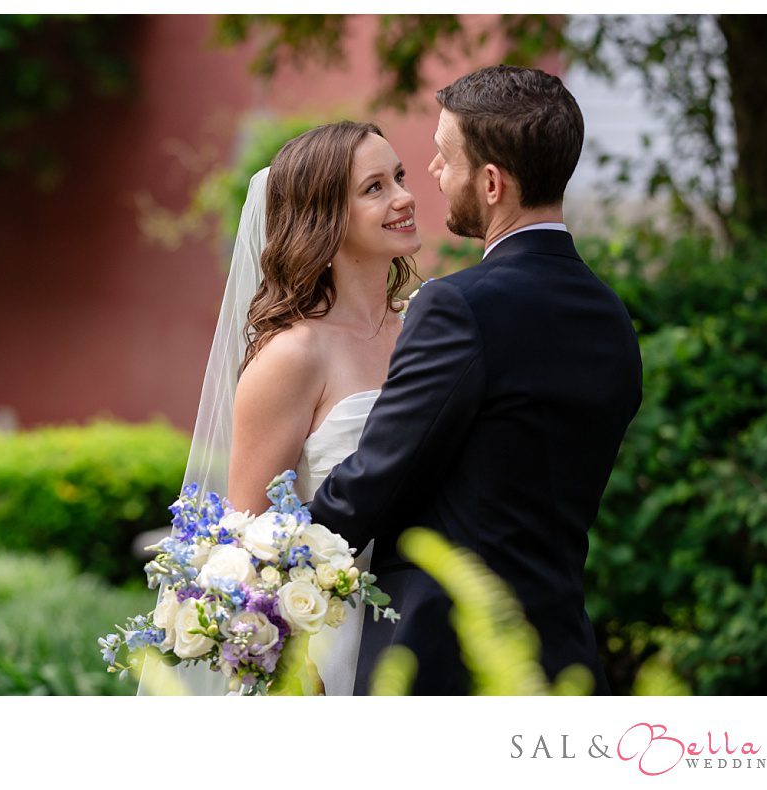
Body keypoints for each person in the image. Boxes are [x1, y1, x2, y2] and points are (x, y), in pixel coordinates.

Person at [306, 65, 640, 695]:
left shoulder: (459, 307)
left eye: (442, 157)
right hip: (561, 653)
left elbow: (378, 477)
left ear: (490, 182)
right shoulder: (611, 318)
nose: (431, 173)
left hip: (443, 660)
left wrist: (266, 555)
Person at [162, 120, 422, 696]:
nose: (404, 197)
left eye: (399, 177)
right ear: (325, 217)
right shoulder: (293, 355)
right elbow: (247, 544)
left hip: (425, 624)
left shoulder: (427, 331)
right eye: (374, 188)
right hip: (330, 640)